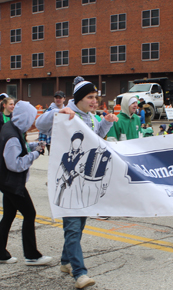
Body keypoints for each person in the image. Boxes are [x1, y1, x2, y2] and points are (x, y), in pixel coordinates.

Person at [36, 78, 118, 289]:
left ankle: (65, 262)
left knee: (79, 225)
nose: (94, 101)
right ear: (79, 99)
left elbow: (97, 137)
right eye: (90, 97)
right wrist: (56, 113)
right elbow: (39, 125)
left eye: (95, 97)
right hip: (66, 180)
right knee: (72, 227)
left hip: (83, 182)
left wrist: (106, 121)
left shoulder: (91, 117)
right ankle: (80, 273)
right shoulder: (66, 113)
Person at [0, 100, 52, 265]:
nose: (32, 123)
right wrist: (35, 154)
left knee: (8, 216)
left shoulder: (12, 127)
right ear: (24, 117)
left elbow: (20, 147)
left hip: (5, 181)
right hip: (12, 183)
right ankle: (32, 255)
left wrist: (33, 146)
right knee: (30, 214)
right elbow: (15, 164)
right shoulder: (13, 135)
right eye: (31, 118)